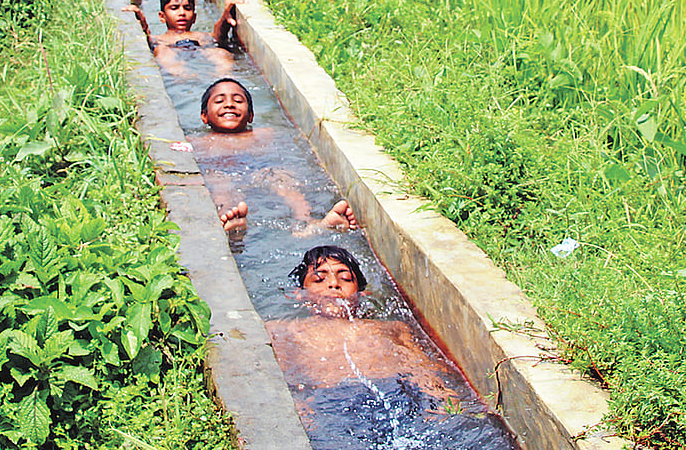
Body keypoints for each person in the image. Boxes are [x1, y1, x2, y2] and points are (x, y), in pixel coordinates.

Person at [266, 247, 514, 449]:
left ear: (362, 294)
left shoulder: (391, 328)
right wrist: (299, 405)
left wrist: (445, 399)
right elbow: (281, 377)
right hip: (331, 402)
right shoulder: (283, 330)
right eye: (319, 279)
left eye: (345, 278)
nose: (333, 284)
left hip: (399, 393)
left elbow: (422, 367)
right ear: (298, 295)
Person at [200, 78, 358, 236]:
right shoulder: (197, 142)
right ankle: (229, 221)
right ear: (204, 116)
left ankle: (306, 222)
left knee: (278, 175)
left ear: (251, 116)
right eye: (219, 100)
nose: (229, 104)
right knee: (219, 182)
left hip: (258, 169)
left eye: (238, 100)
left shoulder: (265, 134)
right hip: (221, 173)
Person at [146, 0, 239, 77]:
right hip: (174, 62)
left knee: (221, 53)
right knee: (161, 50)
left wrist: (225, 15)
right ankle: (181, 76)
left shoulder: (200, 36)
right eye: (174, 8)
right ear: (162, 16)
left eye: (187, 8)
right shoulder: (158, 39)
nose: (182, 13)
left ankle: (225, 76)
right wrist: (141, 21)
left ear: (194, 17)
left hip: (200, 55)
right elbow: (145, 37)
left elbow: (218, 36)